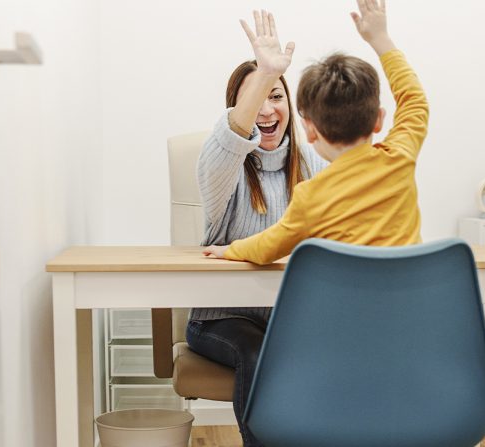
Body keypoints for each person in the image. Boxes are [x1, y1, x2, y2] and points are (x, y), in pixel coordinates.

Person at [184, 9, 327, 447]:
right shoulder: (220, 166)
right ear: (238, 107)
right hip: (221, 319)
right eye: (256, 96)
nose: (267, 109)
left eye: (277, 96)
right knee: (255, 352)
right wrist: (267, 72)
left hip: (288, 315)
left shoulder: (313, 165)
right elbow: (231, 137)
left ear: (293, 107)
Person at [203, 0, 429, 265]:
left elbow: (267, 246)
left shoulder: (310, 196)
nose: (264, 110)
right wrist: (381, 40)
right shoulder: (400, 157)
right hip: (406, 305)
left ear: (309, 129)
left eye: (274, 96)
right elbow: (414, 100)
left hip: (344, 306)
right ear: (379, 120)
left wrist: (230, 250)